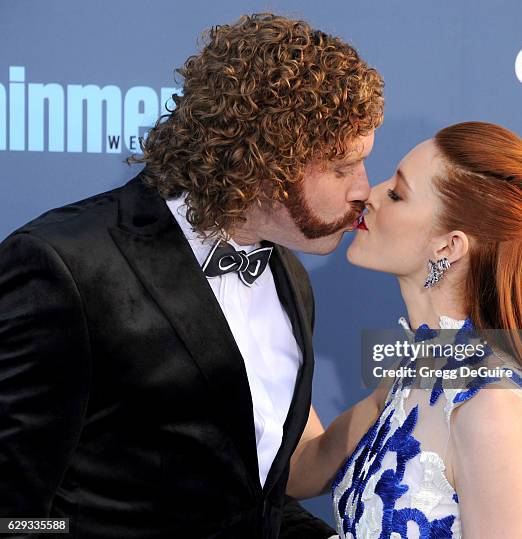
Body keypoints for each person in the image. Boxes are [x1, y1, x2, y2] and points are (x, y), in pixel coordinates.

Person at [0, 13, 383, 538]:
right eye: (342, 168)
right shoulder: (66, 265)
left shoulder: (289, 278)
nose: (365, 189)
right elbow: (13, 514)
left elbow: (256, 495)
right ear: (263, 162)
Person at [288, 122, 522, 539]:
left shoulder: (490, 406)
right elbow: (300, 470)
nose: (368, 196)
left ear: (448, 246)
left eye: (396, 194)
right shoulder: (413, 369)